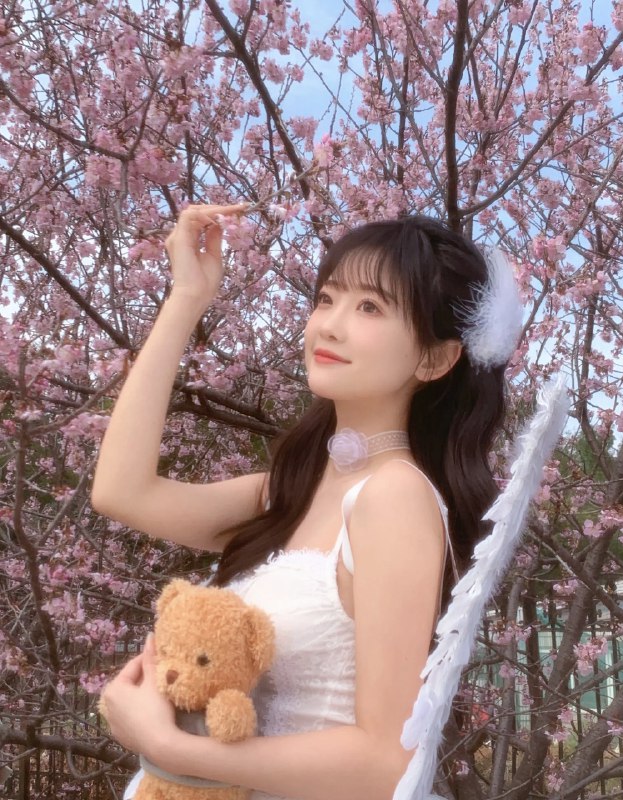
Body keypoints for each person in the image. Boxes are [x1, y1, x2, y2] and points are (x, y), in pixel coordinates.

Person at [94, 204, 519, 800]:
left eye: (370, 307)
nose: (330, 326)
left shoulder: (394, 496)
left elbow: (386, 762)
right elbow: (121, 491)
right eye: (326, 298)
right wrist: (187, 298)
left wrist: (170, 749)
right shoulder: (293, 488)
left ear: (435, 358)